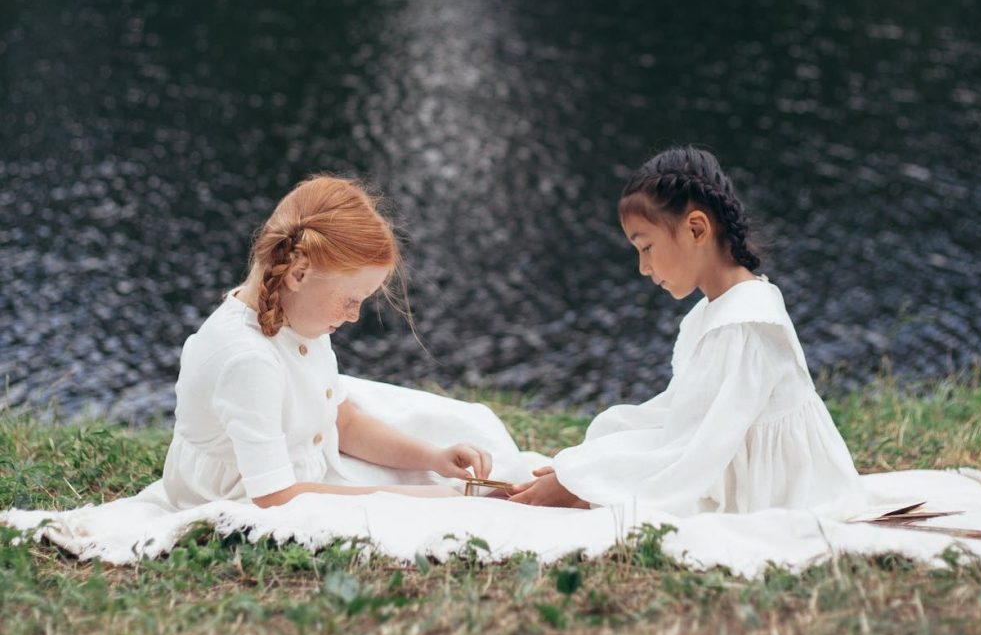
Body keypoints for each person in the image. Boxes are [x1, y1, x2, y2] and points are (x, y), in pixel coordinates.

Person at [509, 145, 868, 519]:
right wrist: (589, 466)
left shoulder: (744, 323)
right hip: (727, 452)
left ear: (696, 229)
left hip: (775, 488)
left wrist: (586, 485)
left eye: (646, 247)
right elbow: (681, 413)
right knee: (613, 441)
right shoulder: (717, 309)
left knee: (627, 483)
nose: (643, 268)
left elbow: (700, 450)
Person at [161, 174, 492, 509]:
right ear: (299, 273)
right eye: (350, 300)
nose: (354, 316)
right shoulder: (248, 361)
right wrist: (408, 499)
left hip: (299, 475)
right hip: (248, 496)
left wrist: (433, 458)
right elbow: (273, 497)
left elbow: (343, 422)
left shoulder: (298, 316)